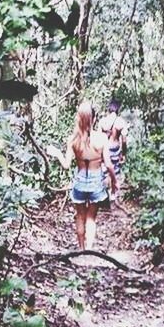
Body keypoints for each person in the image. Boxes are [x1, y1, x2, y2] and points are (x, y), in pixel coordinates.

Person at [47, 100, 117, 250]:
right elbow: (109, 165)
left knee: (80, 215)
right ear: (94, 118)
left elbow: (66, 165)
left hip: (79, 181)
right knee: (91, 217)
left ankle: (81, 248)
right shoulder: (102, 138)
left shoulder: (73, 140)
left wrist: (57, 153)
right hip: (96, 182)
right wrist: (114, 182)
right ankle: (90, 249)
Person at [98, 99, 128, 194]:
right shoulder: (121, 122)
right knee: (114, 171)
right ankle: (113, 194)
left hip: (104, 148)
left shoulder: (102, 121)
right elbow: (124, 140)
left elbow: (98, 137)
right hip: (115, 148)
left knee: (104, 170)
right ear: (118, 109)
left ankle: (104, 193)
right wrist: (123, 154)